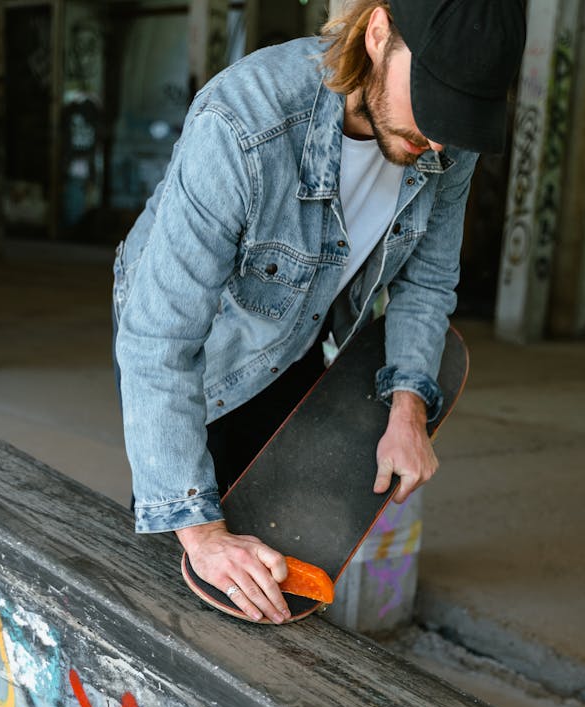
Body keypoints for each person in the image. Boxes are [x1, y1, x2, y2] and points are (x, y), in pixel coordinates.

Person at [113, 0, 526, 624]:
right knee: (192, 569)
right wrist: (200, 531)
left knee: (278, 573)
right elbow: (158, 339)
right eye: (434, 101)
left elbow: (430, 277)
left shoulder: (445, 138)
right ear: (379, 33)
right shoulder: (242, 124)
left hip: (303, 328)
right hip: (209, 341)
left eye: (459, 116)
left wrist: (408, 405)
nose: (439, 140)